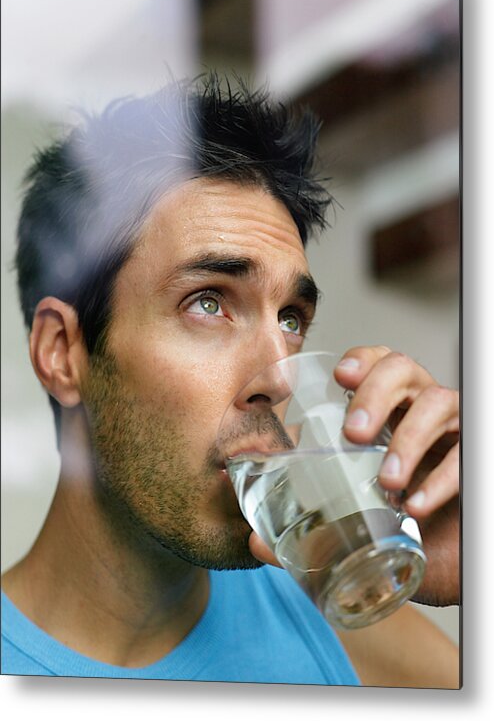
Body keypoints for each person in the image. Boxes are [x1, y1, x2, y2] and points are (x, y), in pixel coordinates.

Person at [1, 72, 460, 687]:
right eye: (209, 302)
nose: (281, 381)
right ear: (63, 352)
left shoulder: (342, 612)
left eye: (291, 318)